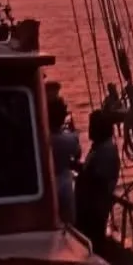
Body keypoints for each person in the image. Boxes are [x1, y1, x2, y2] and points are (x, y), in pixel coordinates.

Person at [73, 108, 120, 253]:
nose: (89, 130)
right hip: (89, 206)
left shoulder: (106, 151)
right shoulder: (99, 148)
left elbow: (98, 181)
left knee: (94, 241)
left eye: (92, 126)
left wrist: (84, 176)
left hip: (94, 209)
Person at [46, 87, 81, 227]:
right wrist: (73, 130)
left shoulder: (43, 139)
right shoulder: (69, 139)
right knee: (69, 223)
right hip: (65, 182)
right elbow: (77, 154)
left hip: (49, 183)